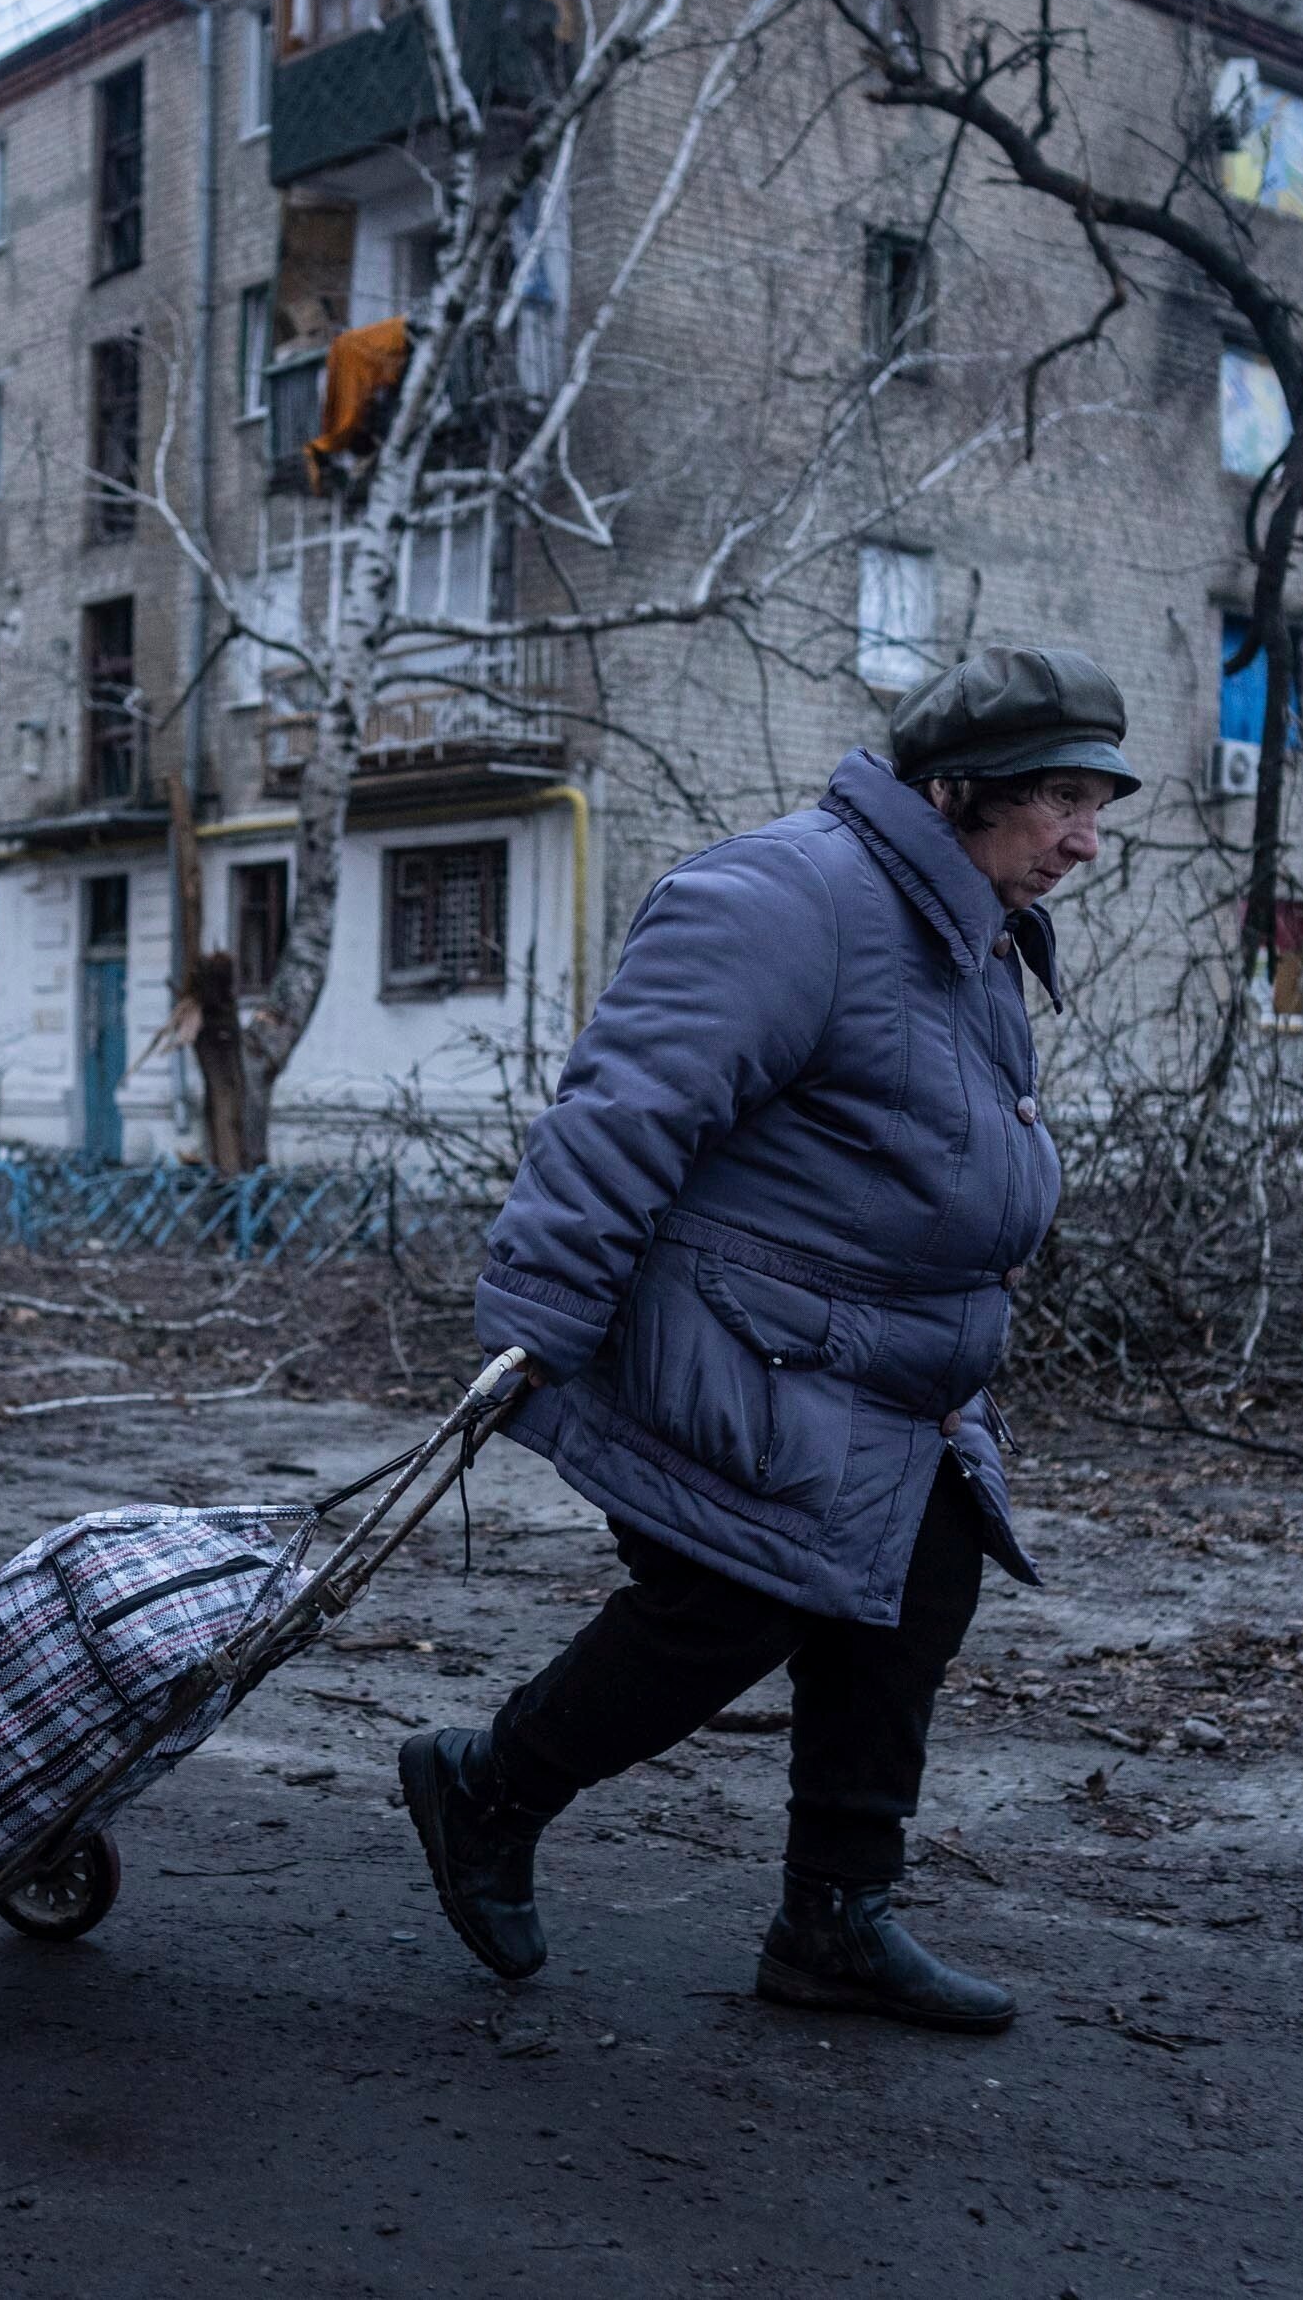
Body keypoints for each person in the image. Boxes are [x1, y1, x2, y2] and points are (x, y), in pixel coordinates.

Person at [398, 645, 1134, 2034]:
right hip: (735, 1346)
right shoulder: (791, 896)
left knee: (919, 1580)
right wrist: (540, 1325)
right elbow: (624, 1111)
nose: (1087, 843)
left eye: (1100, 806)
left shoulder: (959, 920)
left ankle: (833, 1923)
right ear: (957, 789)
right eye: (1061, 803)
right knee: (733, 1601)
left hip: (870, 1366)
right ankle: (484, 1789)